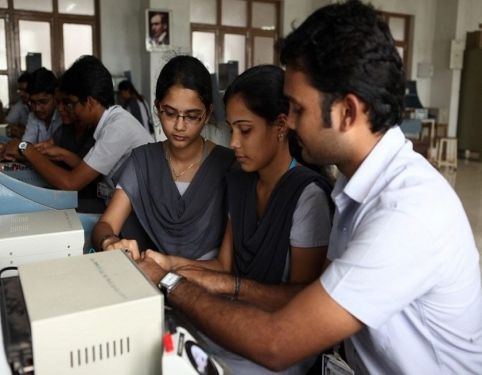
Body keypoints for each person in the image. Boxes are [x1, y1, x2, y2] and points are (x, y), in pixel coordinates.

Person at [136, 1, 482, 374]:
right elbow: (312, 296)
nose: (292, 124)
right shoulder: (355, 188)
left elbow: (277, 343)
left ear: (347, 112)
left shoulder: (406, 212)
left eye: (299, 110)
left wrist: (170, 280)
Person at [153, 64, 333, 375]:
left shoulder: (308, 196)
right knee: (162, 335)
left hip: (279, 337)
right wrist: (164, 263)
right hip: (236, 316)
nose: (233, 142)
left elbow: (302, 298)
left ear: (279, 126)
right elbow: (223, 265)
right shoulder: (239, 180)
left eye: (245, 130)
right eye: (231, 129)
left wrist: (227, 286)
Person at [92, 55, 235, 260]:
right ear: (158, 108)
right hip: (152, 277)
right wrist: (109, 241)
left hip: (209, 282)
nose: (179, 125)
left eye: (192, 116)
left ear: (208, 113)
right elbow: (106, 225)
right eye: (169, 113)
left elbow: (227, 266)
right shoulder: (142, 162)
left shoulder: (227, 165)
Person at [4, 55, 153, 204]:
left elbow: (71, 183)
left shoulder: (117, 128)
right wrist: (62, 154)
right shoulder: (110, 122)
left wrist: (25, 148)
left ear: (89, 102)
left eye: (73, 104)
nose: (71, 111)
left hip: (136, 214)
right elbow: (91, 170)